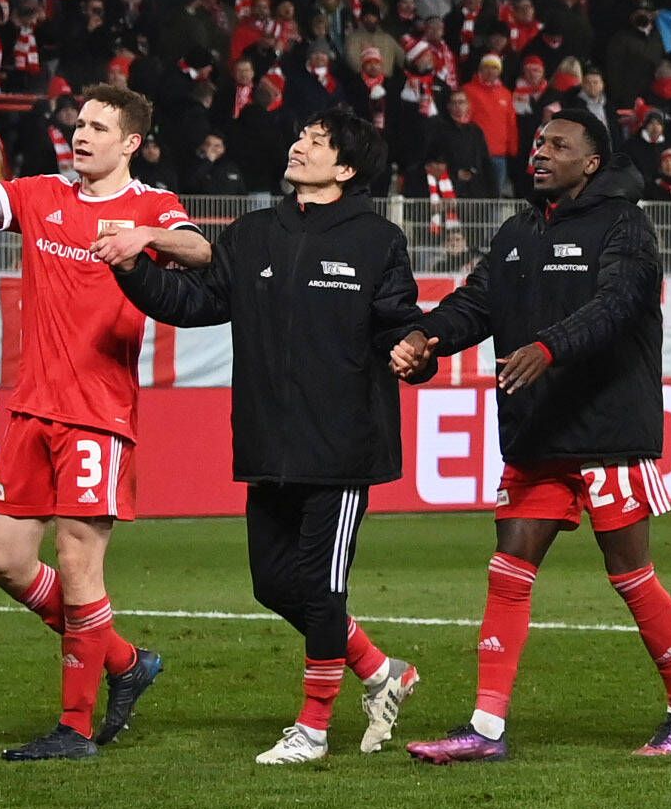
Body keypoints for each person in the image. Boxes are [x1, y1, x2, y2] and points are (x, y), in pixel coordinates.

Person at [96, 108, 427, 764]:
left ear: (347, 167)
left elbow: (400, 324)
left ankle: (311, 728)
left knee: (323, 587)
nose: (299, 144)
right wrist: (132, 264)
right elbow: (192, 304)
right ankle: (383, 672)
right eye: (302, 135)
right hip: (267, 444)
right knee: (274, 585)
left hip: (342, 447)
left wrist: (416, 352)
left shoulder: (376, 240)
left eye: (317, 140)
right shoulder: (251, 235)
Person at [394, 110, 671, 761]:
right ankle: (485, 729)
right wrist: (428, 337)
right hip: (538, 435)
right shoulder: (517, 232)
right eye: (538, 143)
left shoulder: (624, 224)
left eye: (558, 145)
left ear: (592, 162)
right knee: (508, 567)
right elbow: (477, 302)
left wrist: (547, 346)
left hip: (608, 433)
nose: (539, 153)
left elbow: (618, 305)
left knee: (630, 574)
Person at [0, 78, 190, 761]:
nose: (80, 135)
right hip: (31, 410)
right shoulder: (40, 195)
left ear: (131, 143)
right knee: (4, 561)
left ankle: (74, 729)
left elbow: (203, 253)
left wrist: (146, 236)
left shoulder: (153, 206)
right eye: (78, 123)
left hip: (97, 415)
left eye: (98, 128)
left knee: (80, 567)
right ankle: (123, 660)